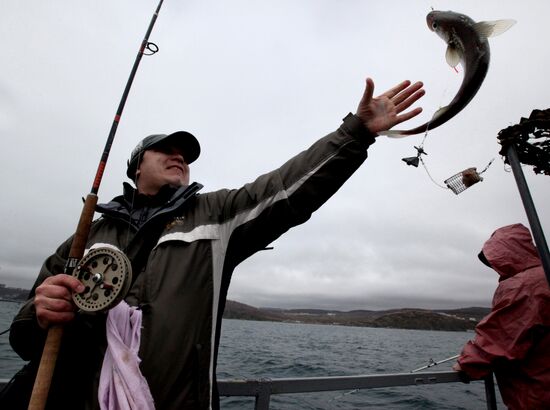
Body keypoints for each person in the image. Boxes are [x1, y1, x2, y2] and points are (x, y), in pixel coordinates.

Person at [10, 77, 425, 409]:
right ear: (137, 166)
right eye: (165, 151)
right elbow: (25, 338)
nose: (180, 158)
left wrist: (354, 134)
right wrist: (40, 312)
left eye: (185, 155)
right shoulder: (83, 241)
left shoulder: (216, 214)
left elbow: (286, 189)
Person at [454, 223, 550, 409]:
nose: (494, 267)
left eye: (494, 260)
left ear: (506, 254)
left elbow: (504, 332)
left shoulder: (526, 285)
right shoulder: (543, 275)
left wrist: (469, 363)